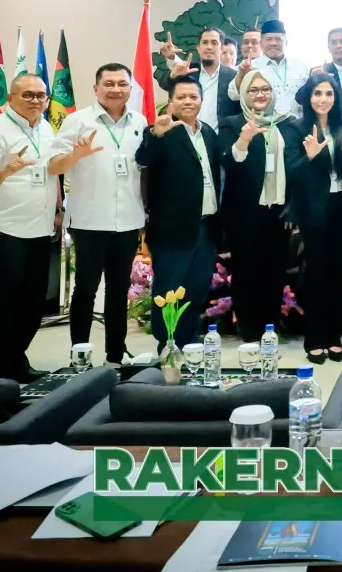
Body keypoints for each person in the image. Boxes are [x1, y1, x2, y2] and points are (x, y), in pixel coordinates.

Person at [48, 64, 147, 366]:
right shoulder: (78, 121)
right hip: (89, 221)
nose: (116, 89)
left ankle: (115, 357)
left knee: (118, 291)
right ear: (96, 88)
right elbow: (54, 166)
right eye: (109, 83)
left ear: (130, 88)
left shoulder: (140, 121)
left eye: (122, 83)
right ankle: (80, 357)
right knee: (86, 290)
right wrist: (76, 155)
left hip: (128, 221)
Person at [0, 72, 60, 382]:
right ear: (10, 99)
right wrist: (5, 171)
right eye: (28, 95)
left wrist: (58, 210)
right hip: (4, 231)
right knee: (2, 305)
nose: (35, 100)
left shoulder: (46, 128)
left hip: (40, 229)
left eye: (40, 95)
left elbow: (51, 173)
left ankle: (16, 360)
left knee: (34, 305)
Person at [217, 67, 307, 346]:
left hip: (278, 213)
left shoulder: (288, 124)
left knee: (274, 273)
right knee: (246, 273)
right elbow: (227, 163)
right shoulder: (232, 123)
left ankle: (270, 328)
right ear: (244, 94)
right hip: (243, 213)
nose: (260, 94)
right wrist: (244, 139)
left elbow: (296, 169)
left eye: (265, 89)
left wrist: (293, 204)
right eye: (253, 90)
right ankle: (249, 331)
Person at [135, 76, 223, 350]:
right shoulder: (162, 130)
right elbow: (143, 159)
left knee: (197, 288)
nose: (188, 102)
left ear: (201, 100)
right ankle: (168, 344)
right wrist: (155, 135)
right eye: (181, 97)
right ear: (171, 101)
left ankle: (190, 341)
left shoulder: (208, 133)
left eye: (193, 97)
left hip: (205, 227)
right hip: (172, 229)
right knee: (169, 290)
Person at [291, 73, 342, 362]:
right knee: (316, 272)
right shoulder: (296, 127)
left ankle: (333, 336)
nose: (323, 99)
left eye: (329, 93)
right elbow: (290, 171)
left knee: (335, 271)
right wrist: (309, 157)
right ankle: (314, 338)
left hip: (341, 206)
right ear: (309, 97)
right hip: (313, 209)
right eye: (317, 93)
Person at [162, 27, 237, 129]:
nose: (209, 47)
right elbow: (165, 84)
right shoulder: (188, 70)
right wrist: (173, 75)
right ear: (198, 48)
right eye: (205, 42)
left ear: (222, 48)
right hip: (187, 134)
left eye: (214, 43)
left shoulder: (233, 76)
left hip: (221, 136)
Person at [239, 20, 308, 118]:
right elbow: (233, 94)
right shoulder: (250, 66)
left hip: (298, 123)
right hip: (263, 124)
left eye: (278, 39)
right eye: (269, 39)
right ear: (261, 43)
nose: (273, 43)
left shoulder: (300, 66)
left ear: (286, 42)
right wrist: (242, 75)